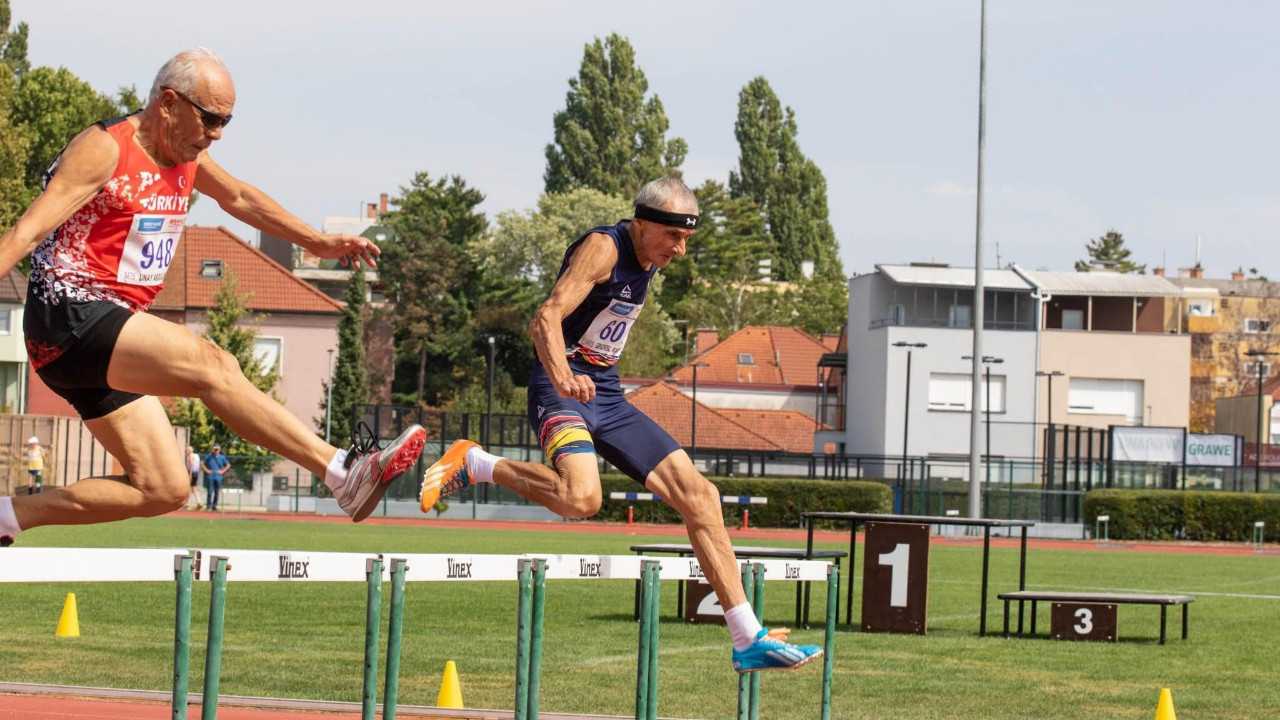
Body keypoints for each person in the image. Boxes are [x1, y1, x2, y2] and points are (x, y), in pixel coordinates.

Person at [0, 48, 425, 547]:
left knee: (163, 487)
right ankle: (341, 473)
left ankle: (8, 515)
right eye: (211, 119)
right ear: (168, 103)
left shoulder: (187, 156)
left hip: (107, 332)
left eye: (227, 121)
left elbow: (240, 197)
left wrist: (317, 242)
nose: (217, 134)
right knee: (214, 365)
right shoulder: (105, 149)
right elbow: (26, 232)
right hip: (67, 314)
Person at [420, 177, 822, 674]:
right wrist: (564, 377)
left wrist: (590, 376)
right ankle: (477, 462)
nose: (679, 250)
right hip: (559, 389)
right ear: (642, 223)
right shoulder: (603, 248)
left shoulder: (648, 262)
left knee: (702, 497)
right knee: (581, 499)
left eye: (687, 241)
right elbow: (546, 317)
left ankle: (745, 637)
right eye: (673, 238)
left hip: (606, 397)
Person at [201, 444, 230, 511]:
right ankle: (208, 506)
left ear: (219, 450)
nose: (216, 450)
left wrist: (222, 471)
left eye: (217, 449)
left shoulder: (222, 457)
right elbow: (202, 463)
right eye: (215, 449)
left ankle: (214, 506)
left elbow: (228, 465)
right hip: (211, 477)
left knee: (217, 493)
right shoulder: (209, 456)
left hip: (218, 477)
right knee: (210, 492)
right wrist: (207, 470)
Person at [185, 445, 203, 509]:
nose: (185, 452)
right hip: (196, 473)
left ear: (189, 451)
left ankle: (188, 503)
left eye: (186, 450)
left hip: (191, 473)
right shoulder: (197, 456)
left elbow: (191, 465)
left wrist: (190, 475)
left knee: (188, 488)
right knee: (194, 488)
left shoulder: (190, 456)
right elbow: (199, 465)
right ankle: (199, 501)